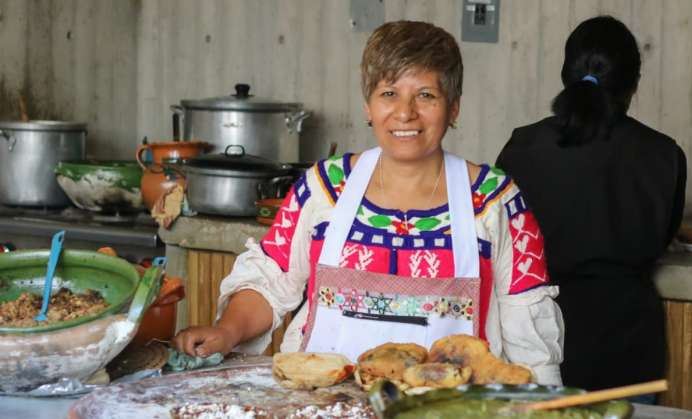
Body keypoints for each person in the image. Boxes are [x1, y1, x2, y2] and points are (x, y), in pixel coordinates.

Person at [173, 20, 564, 385]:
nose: (405, 112)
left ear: (454, 108)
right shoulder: (325, 188)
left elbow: (529, 333)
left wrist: (547, 403)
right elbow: (271, 282)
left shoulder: (496, 202)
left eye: (426, 95)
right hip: (323, 406)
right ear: (368, 105)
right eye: (389, 93)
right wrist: (226, 331)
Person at [496, 16, 687, 395]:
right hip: (629, 348)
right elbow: (662, 238)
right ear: (633, 84)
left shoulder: (522, 148)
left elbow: (503, 242)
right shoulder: (664, 154)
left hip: (537, 343)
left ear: (566, 73)